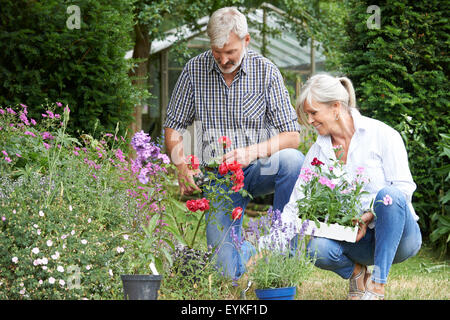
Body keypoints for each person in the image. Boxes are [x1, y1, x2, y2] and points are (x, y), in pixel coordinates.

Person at [163, 7, 304, 279]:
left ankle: (284, 256)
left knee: (293, 162)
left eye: (231, 52)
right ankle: (248, 250)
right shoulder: (194, 70)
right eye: (217, 52)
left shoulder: (266, 72)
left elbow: (292, 135)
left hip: (259, 166)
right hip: (219, 177)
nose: (223, 59)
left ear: (246, 41)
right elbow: (174, 125)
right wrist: (180, 164)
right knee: (225, 272)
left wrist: (251, 152)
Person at [280, 73, 422, 300]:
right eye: (307, 114)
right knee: (317, 250)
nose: (310, 120)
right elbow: (296, 201)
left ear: (336, 107)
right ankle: (357, 274)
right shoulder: (318, 152)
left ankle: (377, 286)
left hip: (400, 240)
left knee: (390, 196)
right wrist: (272, 239)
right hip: (356, 240)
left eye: (313, 113)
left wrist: (368, 216)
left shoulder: (382, 135)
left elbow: (403, 190)